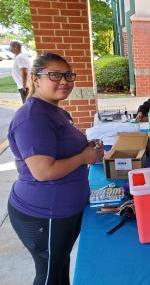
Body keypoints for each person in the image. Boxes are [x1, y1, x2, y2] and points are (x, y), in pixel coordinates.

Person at [7, 53, 104, 285]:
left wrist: (86, 147)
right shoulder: (32, 117)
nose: (64, 81)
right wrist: (83, 157)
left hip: (64, 210)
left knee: (59, 268)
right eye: (54, 75)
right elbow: (44, 172)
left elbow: (62, 147)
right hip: (44, 214)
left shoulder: (55, 110)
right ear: (35, 79)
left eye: (68, 75)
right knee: (49, 275)